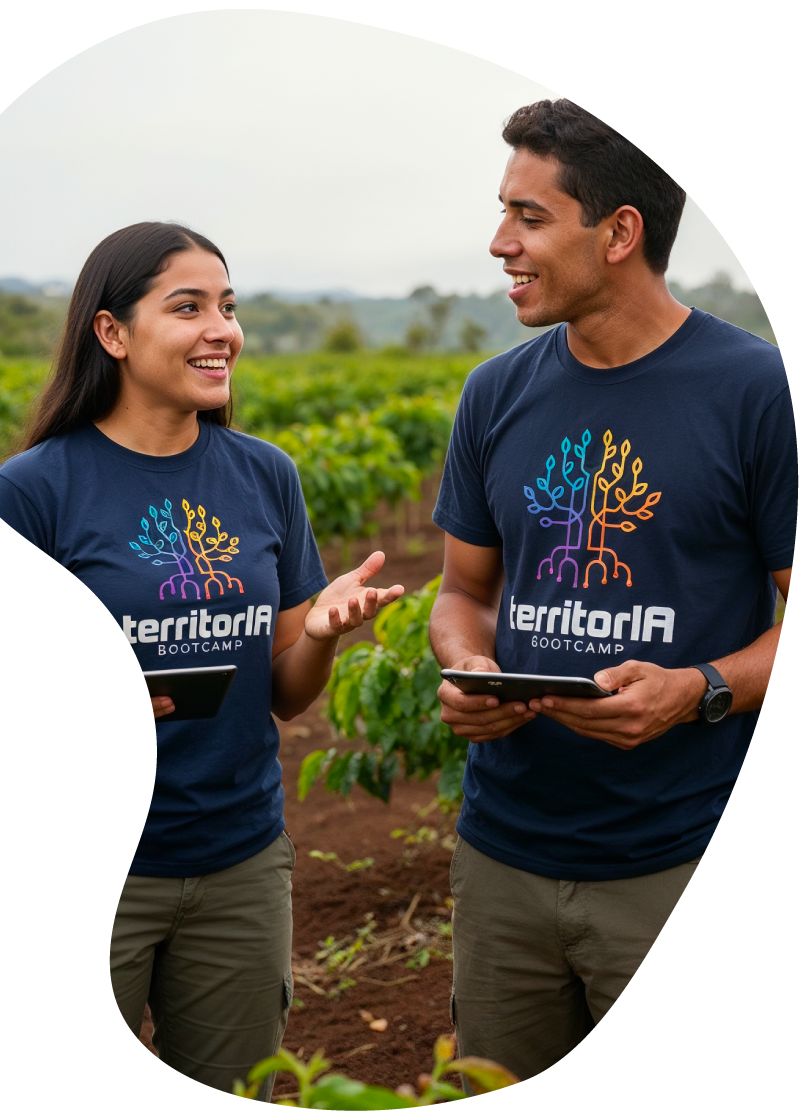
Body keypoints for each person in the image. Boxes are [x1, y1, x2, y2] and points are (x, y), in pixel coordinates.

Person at [0, 221, 404, 1118]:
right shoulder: (35, 489)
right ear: (112, 334)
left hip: (237, 860)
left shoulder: (264, 476)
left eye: (229, 306)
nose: (221, 329)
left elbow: (284, 697)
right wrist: (95, 708)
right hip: (81, 864)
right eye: (188, 307)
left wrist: (319, 631)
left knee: (230, 1102)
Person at [430, 99, 797, 1098]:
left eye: (530, 217)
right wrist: (464, 665)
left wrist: (700, 687)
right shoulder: (495, 393)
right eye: (503, 213)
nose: (500, 242)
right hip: (503, 854)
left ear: (620, 232)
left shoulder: (764, 393)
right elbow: (463, 592)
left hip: (688, 863)